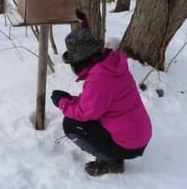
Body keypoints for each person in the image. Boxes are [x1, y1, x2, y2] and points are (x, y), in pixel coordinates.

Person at [50, 22, 152, 177]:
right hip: (137, 134)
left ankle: (111, 162)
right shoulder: (110, 64)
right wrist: (70, 99)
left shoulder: (100, 77)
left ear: (79, 61)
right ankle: (114, 153)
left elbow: (86, 113)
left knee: (71, 125)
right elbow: (98, 102)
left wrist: (62, 102)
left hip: (129, 142)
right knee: (80, 118)